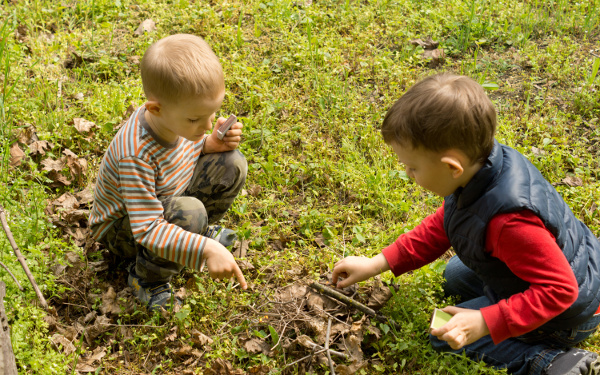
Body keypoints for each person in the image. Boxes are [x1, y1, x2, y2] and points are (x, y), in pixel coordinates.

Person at [332, 73, 600, 375]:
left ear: (451, 167)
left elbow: (560, 291)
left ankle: (554, 361)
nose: (408, 174)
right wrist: (377, 263)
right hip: (552, 268)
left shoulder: (510, 223)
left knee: (443, 333)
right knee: (454, 274)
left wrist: (485, 322)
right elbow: (443, 225)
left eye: (413, 167)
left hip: (566, 314)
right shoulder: (484, 169)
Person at [89, 34, 248, 311]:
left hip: (167, 197)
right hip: (126, 228)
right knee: (191, 213)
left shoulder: (178, 119)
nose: (207, 124)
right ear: (155, 109)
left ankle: (194, 231)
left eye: (212, 114)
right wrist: (205, 249)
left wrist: (212, 144)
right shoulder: (135, 153)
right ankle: (146, 279)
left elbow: (190, 148)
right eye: (196, 119)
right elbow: (148, 228)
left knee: (231, 163)